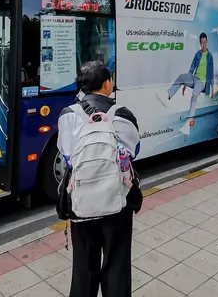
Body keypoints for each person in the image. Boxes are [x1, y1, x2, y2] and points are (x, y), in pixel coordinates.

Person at [58, 61, 142, 297]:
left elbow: (66, 154)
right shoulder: (122, 114)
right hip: (117, 200)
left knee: (84, 266)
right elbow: (134, 151)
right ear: (107, 84)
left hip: (80, 201)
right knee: (117, 262)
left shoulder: (68, 115)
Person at [163, 32, 214, 127]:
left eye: (205, 42)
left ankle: (190, 119)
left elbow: (210, 73)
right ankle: (168, 95)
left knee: (194, 96)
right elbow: (192, 68)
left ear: (207, 42)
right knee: (181, 77)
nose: (203, 45)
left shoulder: (209, 56)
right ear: (200, 43)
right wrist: (185, 83)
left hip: (202, 82)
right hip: (194, 77)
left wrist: (212, 89)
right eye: (202, 43)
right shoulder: (197, 54)